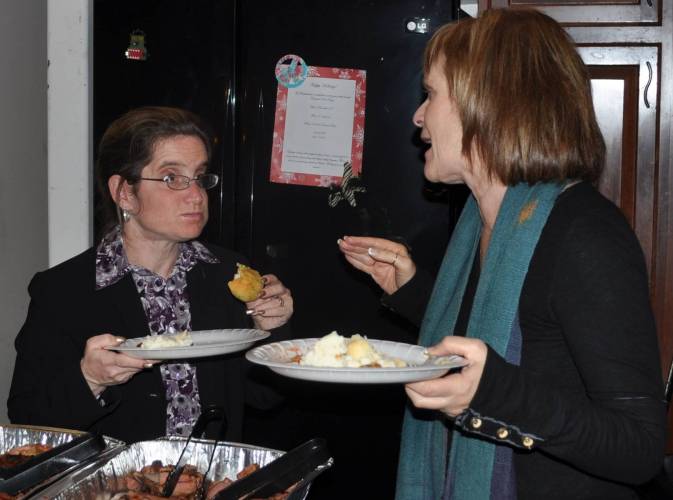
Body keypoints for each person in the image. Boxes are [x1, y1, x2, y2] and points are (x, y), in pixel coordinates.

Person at [338, 8, 666, 500]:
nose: (418, 116)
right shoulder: (481, 222)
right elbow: (517, 338)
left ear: (487, 103)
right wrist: (415, 292)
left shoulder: (584, 234)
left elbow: (639, 448)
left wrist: (495, 395)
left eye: (431, 94)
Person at [8, 106, 293, 443]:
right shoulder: (63, 290)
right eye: (172, 178)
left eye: (200, 177)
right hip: (118, 477)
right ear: (125, 193)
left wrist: (273, 331)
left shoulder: (228, 275)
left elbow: (265, 396)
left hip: (214, 473)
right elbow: (28, 418)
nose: (196, 195)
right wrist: (91, 379)